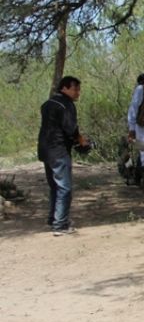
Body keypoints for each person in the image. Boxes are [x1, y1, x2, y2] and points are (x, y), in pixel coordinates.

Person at [38, 76, 88, 236]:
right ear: (64, 88)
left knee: (55, 186)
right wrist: (81, 141)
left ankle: (53, 218)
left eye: (78, 89)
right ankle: (60, 225)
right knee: (64, 187)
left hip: (45, 149)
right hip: (58, 150)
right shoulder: (66, 104)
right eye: (75, 89)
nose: (78, 93)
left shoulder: (48, 104)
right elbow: (70, 128)